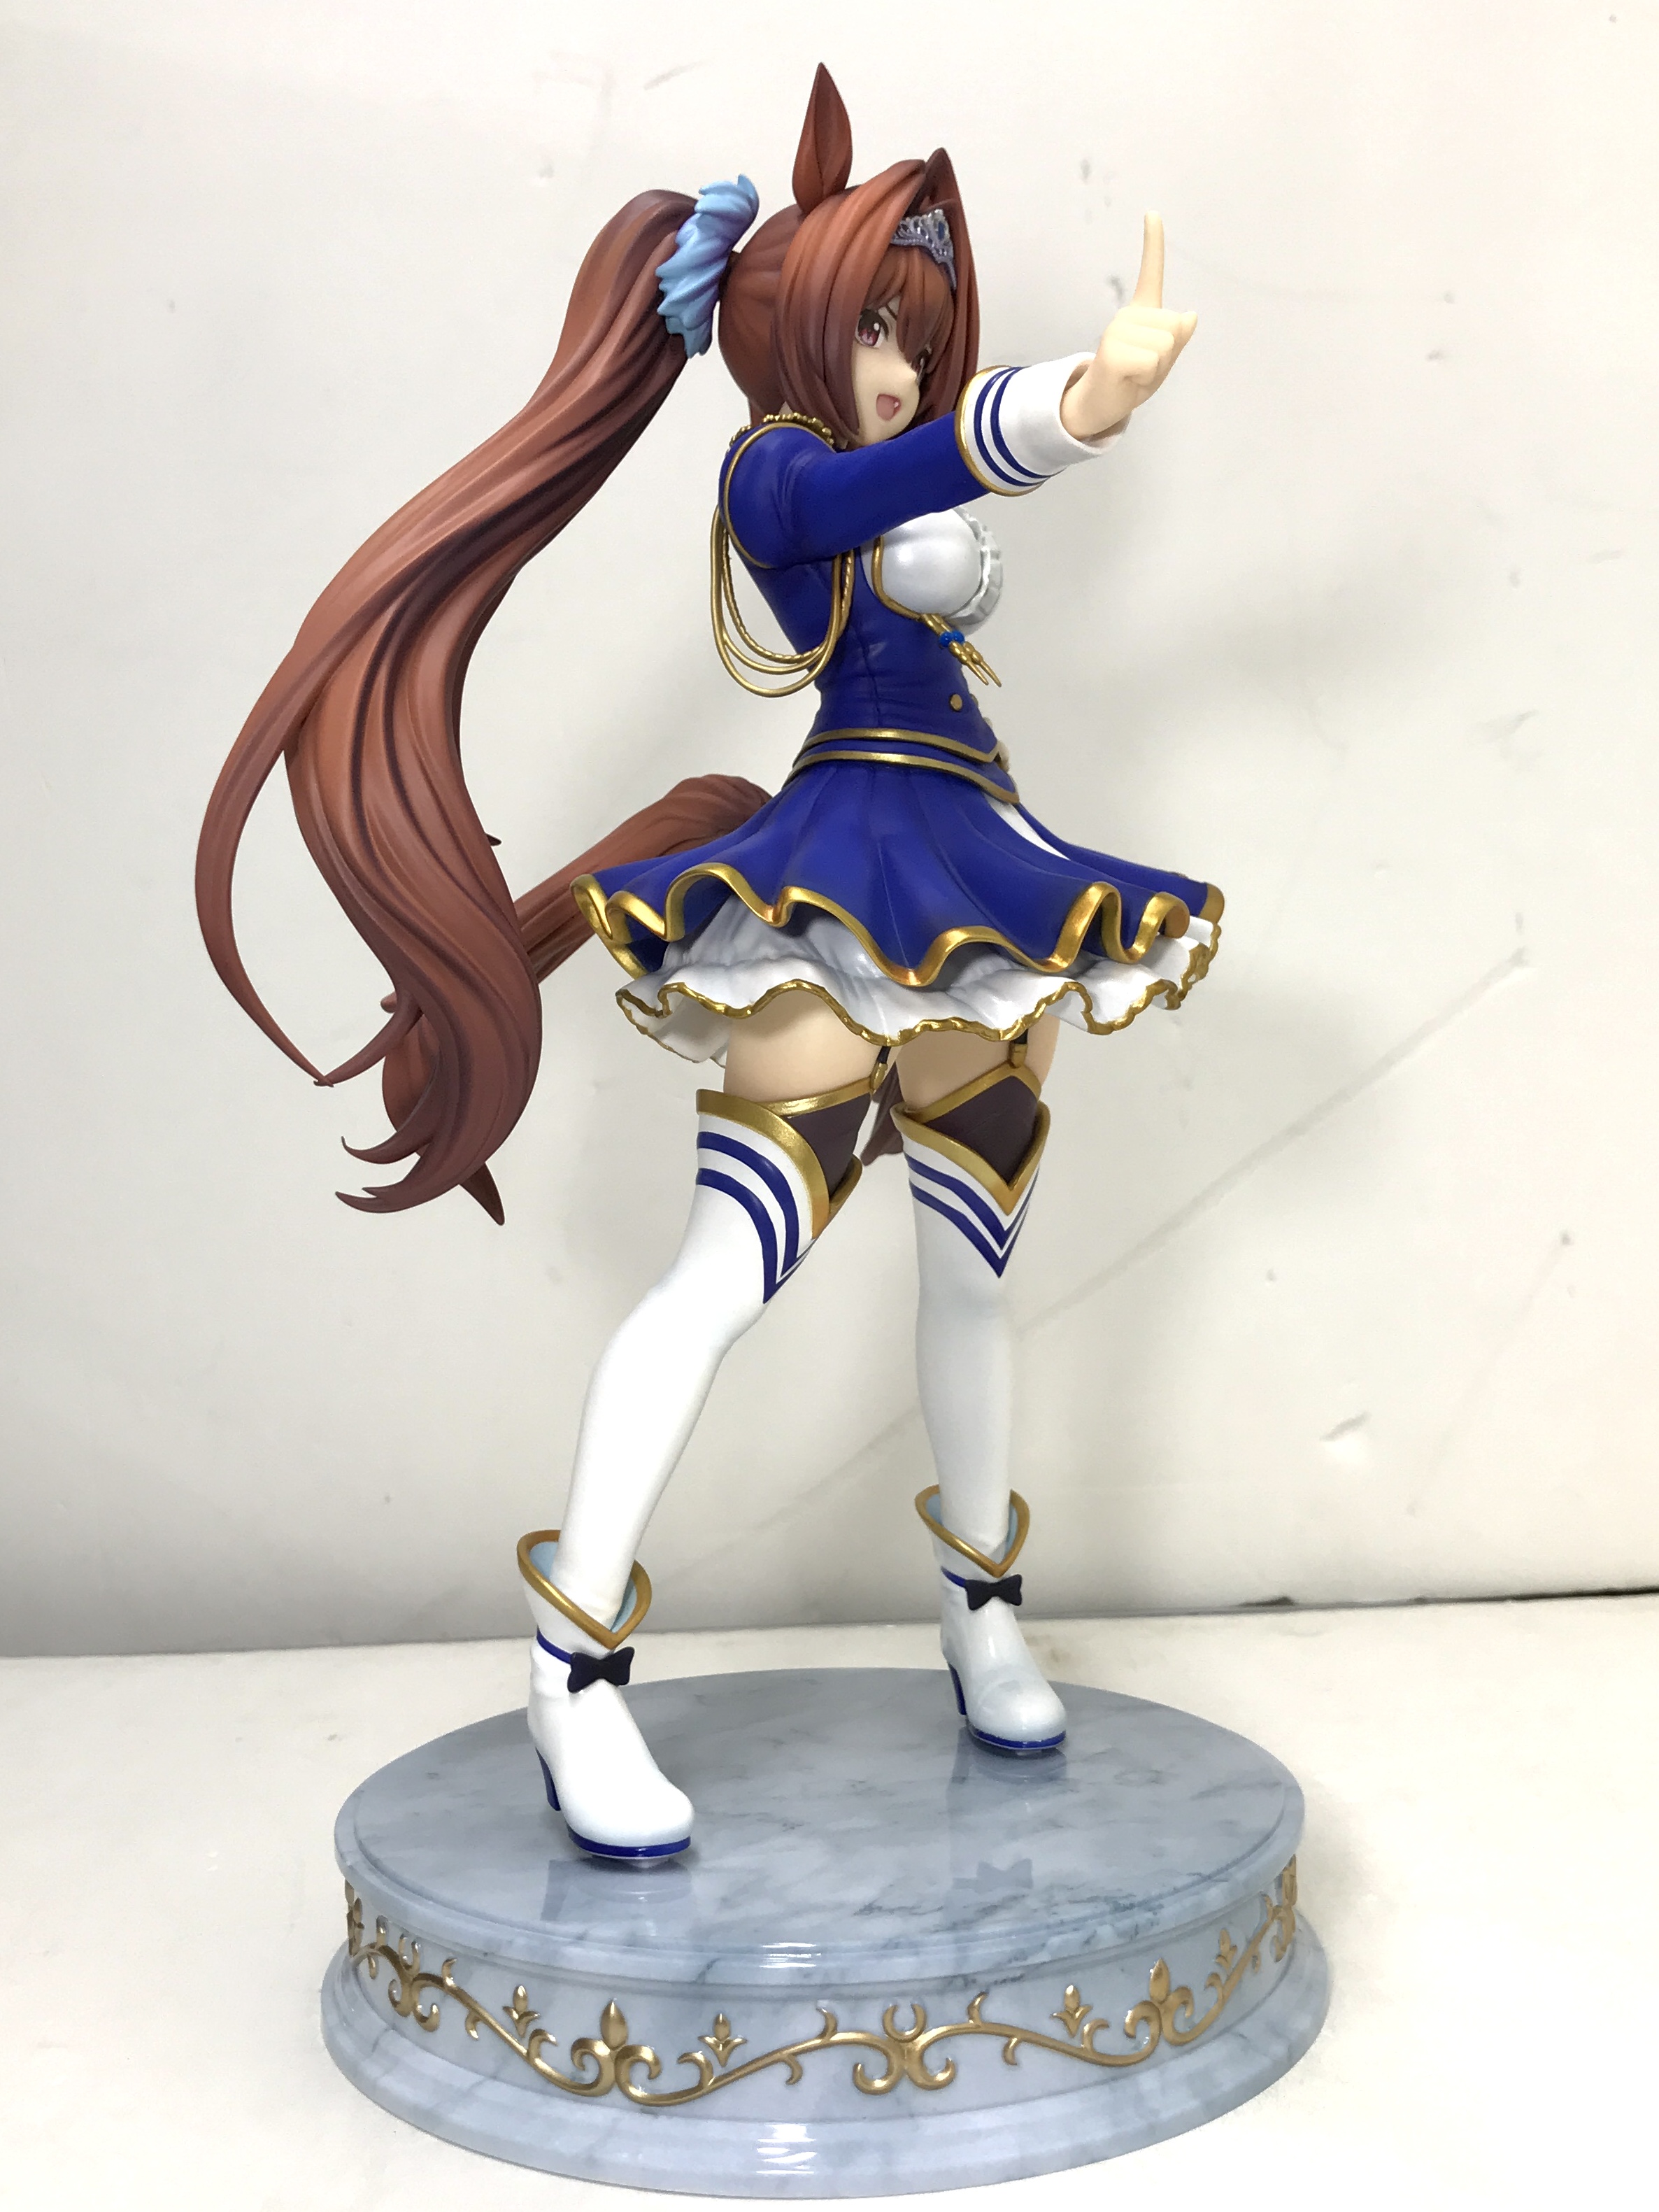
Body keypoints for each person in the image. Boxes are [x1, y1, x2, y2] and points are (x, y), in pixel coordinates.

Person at [197, 66, 1213, 1864]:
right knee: (718, 1283)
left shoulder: (861, 470)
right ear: (791, 322)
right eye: (877, 324)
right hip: (845, 888)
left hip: (982, 880)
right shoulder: (777, 471)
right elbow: (907, 471)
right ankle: (572, 1669)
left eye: (920, 333)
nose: (899, 361)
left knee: (971, 1279)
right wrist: (1078, 403)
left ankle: (982, 1614)